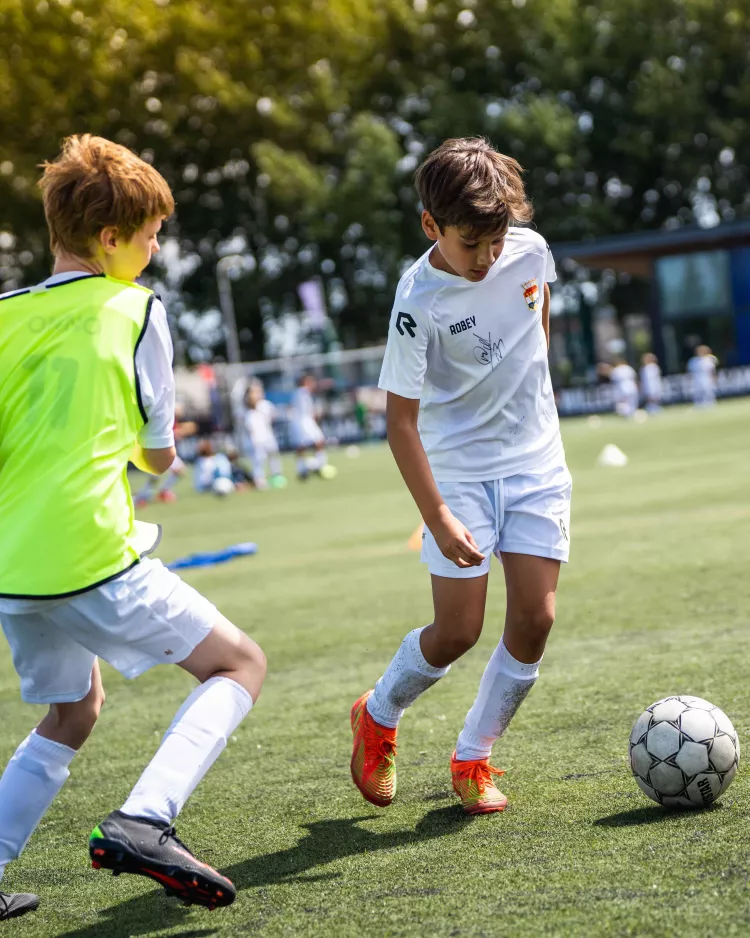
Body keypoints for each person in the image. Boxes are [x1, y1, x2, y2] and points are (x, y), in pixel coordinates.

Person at [0, 135, 266, 919]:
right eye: (149, 235)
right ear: (110, 240)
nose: (155, 250)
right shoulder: (138, 310)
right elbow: (156, 458)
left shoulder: (4, 313)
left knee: (75, 710)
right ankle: (145, 820)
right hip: (88, 551)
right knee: (239, 665)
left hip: (10, 566)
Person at [350, 137, 572, 816]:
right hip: (459, 478)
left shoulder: (530, 252)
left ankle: (474, 756)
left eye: (496, 240)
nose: (487, 257)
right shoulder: (417, 299)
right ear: (430, 226)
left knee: (536, 617)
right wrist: (439, 514)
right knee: (458, 631)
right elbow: (400, 423)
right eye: (471, 242)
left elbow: (539, 326)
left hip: (536, 462)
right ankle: (378, 712)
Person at [289, 374, 334, 480]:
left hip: (305, 421)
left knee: (307, 444)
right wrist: (324, 384)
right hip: (303, 422)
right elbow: (315, 388)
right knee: (314, 442)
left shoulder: (300, 393)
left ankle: (308, 467)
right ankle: (316, 466)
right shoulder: (302, 391)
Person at [244, 380, 286, 489]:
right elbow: (248, 426)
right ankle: (259, 480)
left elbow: (273, 416)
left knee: (273, 455)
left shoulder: (265, 405)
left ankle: (276, 476)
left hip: (267, 435)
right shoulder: (247, 409)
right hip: (256, 438)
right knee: (259, 459)